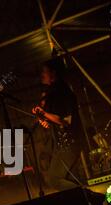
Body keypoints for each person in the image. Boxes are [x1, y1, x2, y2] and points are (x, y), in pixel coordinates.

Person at [32, 60, 83, 191]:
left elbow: (65, 120)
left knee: (53, 179)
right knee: (68, 179)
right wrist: (45, 120)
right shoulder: (55, 92)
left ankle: (86, 195)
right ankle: (82, 201)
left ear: (53, 73)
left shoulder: (63, 92)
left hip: (69, 144)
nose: (42, 75)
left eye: (44, 71)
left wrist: (43, 113)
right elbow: (55, 120)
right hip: (63, 144)